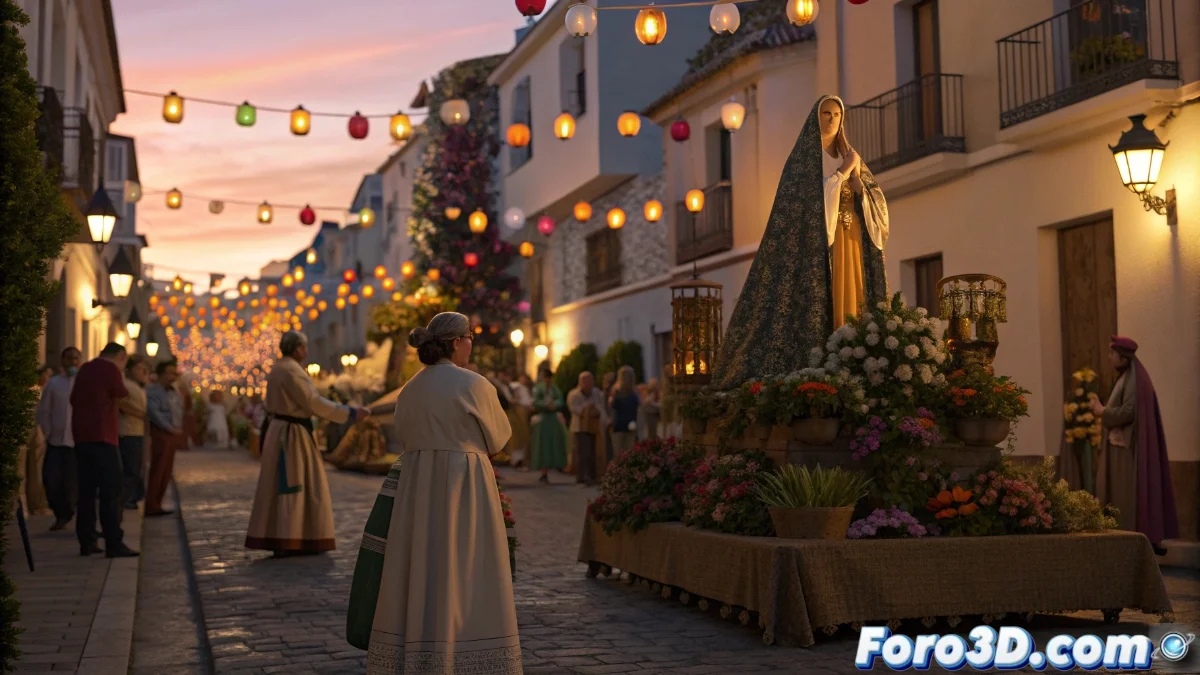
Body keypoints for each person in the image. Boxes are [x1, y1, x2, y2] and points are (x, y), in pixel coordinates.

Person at [348, 312, 521, 673]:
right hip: (465, 484)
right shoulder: (475, 385)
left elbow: (404, 436)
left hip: (417, 485)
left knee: (421, 563)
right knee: (466, 565)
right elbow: (500, 439)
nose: (472, 343)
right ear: (457, 342)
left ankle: (418, 648)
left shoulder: (409, 389)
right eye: (470, 337)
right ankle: (465, 650)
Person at [713, 94, 889, 390]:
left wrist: (858, 185)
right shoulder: (801, 165)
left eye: (836, 114)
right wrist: (843, 173)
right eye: (826, 114)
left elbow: (877, 210)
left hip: (852, 242)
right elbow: (808, 207)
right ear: (815, 118)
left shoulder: (852, 157)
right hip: (819, 252)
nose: (832, 119)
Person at [246, 331, 368, 557]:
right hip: (291, 436)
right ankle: (291, 537)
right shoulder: (291, 371)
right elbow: (312, 402)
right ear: (297, 348)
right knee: (295, 483)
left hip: (283, 431)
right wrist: (348, 412)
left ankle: (290, 535)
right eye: (304, 346)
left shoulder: (280, 368)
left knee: (291, 484)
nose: (307, 351)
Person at [1092, 336, 1178, 555]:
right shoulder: (1128, 377)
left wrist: (1102, 411)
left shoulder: (1134, 379)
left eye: (1112, 353)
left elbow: (1128, 412)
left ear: (1123, 356)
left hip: (1127, 450)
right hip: (1121, 446)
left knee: (1126, 495)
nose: (1109, 357)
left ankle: (1131, 540)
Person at [70, 343, 137, 558]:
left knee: (86, 492)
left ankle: (87, 541)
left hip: (81, 438)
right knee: (111, 492)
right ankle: (113, 542)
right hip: (103, 437)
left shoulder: (85, 369)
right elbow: (122, 394)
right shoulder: (110, 370)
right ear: (121, 356)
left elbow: (74, 399)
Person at [37, 347, 80, 530]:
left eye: (76, 359)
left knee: (71, 482)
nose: (73, 362)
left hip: (76, 441)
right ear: (63, 360)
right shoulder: (54, 384)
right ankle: (60, 512)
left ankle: (67, 514)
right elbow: (44, 411)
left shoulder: (83, 382)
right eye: (70, 358)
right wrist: (48, 432)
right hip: (55, 440)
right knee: (51, 480)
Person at [146, 359, 184, 516]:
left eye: (175, 373)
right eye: (169, 373)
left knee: (166, 470)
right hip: (162, 432)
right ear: (160, 374)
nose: (173, 376)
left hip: (172, 432)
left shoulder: (173, 390)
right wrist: (169, 428)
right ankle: (152, 504)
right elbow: (154, 413)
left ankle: (158, 503)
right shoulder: (154, 391)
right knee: (159, 468)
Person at [19, 366, 54, 515]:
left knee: (33, 470)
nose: (48, 378)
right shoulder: (36, 392)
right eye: (47, 375)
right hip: (31, 432)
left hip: (37, 434)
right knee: (24, 470)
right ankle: (25, 506)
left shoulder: (42, 392)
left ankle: (32, 505)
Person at [118, 355, 149, 510]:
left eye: (144, 369)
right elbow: (120, 404)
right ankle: (125, 498)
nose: (142, 372)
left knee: (136, 467)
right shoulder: (124, 384)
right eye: (138, 368)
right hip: (127, 431)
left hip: (137, 431)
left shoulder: (138, 386)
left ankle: (132, 497)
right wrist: (140, 414)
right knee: (130, 468)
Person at [529, 367, 568, 484]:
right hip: (543, 419)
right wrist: (546, 405)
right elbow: (536, 401)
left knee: (554, 442)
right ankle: (543, 471)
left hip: (553, 419)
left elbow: (560, 400)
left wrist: (555, 405)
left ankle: (557, 464)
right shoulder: (538, 388)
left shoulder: (555, 388)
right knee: (543, 445)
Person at [567, 371, 607, 486]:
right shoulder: (574, 394)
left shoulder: (596, 393)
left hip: (594, 427)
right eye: (586, 381)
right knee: (582, 452)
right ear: (581, 382)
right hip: (580, 427)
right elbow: (574, 409)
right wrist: (587, 407)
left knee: (594, 452)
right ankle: (582, 476)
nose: (588, 383)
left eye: (590, 380)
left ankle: (593, 475)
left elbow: (601, 406)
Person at [609, 366, 640, 458]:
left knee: (624, 453)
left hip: (625, 425)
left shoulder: (632, 392)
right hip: (623, 425)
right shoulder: (617, 392)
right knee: (624, 453)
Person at [508, 373, 534, 469]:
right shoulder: (516, 387)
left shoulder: (527, 389)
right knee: (518, 437)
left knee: (524, 437)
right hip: (519, 411)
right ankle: (516, 460)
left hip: (525, 412)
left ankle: (522, 459)